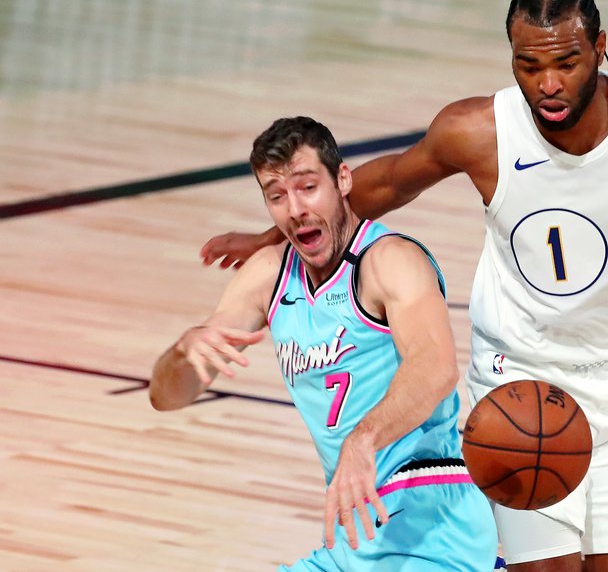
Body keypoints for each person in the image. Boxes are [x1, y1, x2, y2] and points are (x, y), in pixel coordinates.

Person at [201, 0, 608, 572]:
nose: (548, 84)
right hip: (515, 392)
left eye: (566, 63)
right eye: (528, 64)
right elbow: (381, 184)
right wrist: (274, 233)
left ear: (599, 47)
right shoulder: (480, 131)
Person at [151, 116, 499, 571]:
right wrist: (184, 350)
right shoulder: (267, 274)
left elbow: (436, 367)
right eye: (277, 197)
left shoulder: (388, 260)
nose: (294, 209)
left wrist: (363, 440)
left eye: (307, 187)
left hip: (433, 517)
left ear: (343, 180)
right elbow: (167, 396)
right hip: (353, 528)